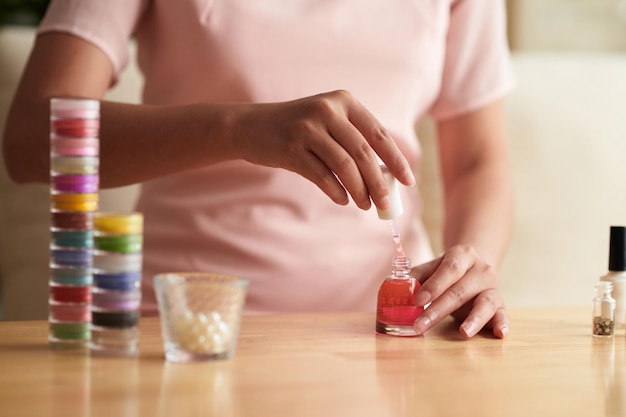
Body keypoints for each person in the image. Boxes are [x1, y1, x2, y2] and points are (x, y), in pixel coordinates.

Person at [3, 0, 514, 339]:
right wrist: (237, 128)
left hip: (387, 336)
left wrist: (470, 268)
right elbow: (29, 139)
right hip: (185, 331)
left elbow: (478, 162)